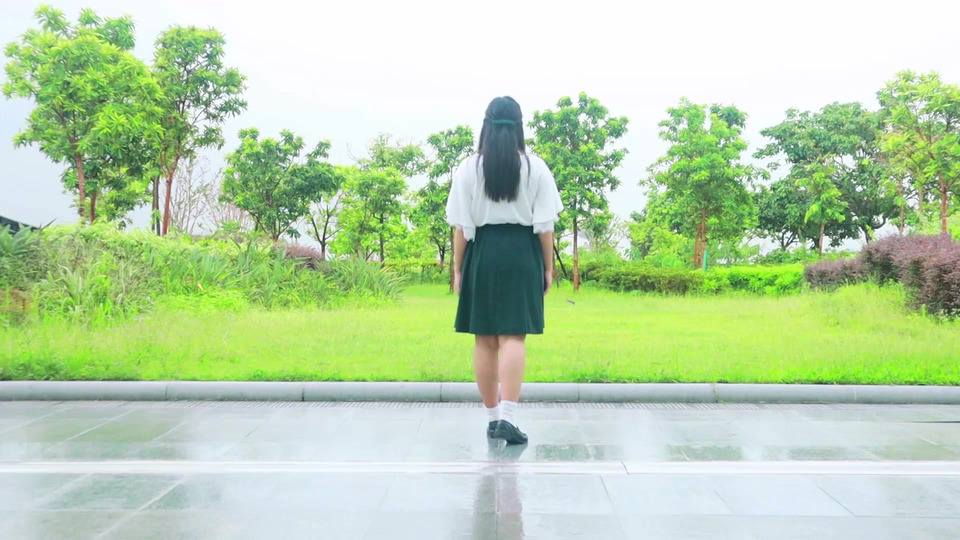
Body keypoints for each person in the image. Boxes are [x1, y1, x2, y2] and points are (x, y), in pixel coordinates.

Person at [445, 96, 563, 445]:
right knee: (514, 335)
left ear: (486, 126)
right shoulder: (535, 167)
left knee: (484, 338)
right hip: (522, 252)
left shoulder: (469, 168)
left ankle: (493, 419)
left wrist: (458, 269)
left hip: (482, 251)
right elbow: (545, 226)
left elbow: (461, 226)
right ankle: (508, 417)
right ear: (519, 127)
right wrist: (548, 268)